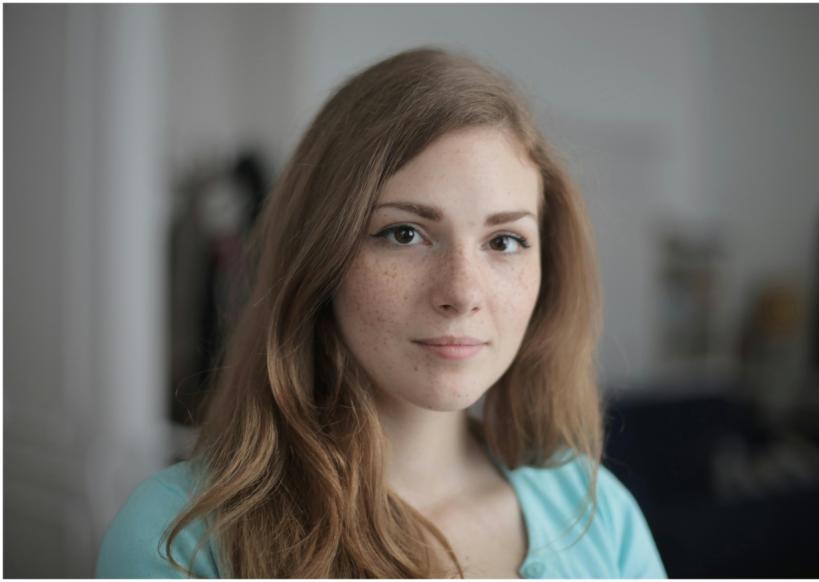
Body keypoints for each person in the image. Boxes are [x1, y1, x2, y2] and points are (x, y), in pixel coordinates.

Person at [96, 47, 667, 579]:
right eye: (404, 233)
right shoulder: (179, 537)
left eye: (504, 241)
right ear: (322, 256)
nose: (462, 292)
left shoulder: (600, 516)